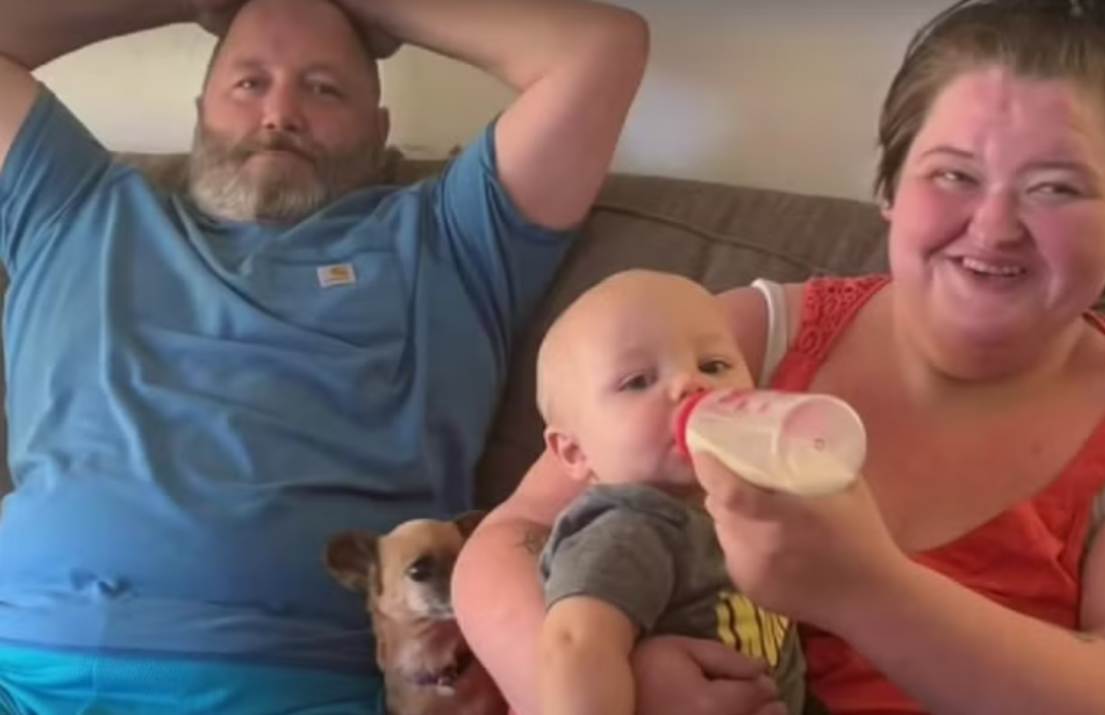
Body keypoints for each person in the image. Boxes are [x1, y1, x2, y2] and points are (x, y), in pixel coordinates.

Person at [454, 1, 1105, 714]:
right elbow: (505, 543)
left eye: (1055, 187)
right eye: (953, 174)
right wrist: (609, 689)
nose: (994, 225)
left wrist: (867, 591)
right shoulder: (729, 344)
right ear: (889, 187)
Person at [0, 0, 647, 712]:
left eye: (323, 88)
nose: (280, 113)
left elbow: (604, 48)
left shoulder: (449, 241)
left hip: (297, 686)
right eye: (249, 83)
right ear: (199, 110)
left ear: (379, 129)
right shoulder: (74, 205)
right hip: (23, 670)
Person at [534, 270, 826, 715]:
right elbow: (574, 646)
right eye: (637, 381)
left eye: (714, 366)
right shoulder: (630, 527)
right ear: (574, 452)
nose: (691, 384)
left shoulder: (750, 500)